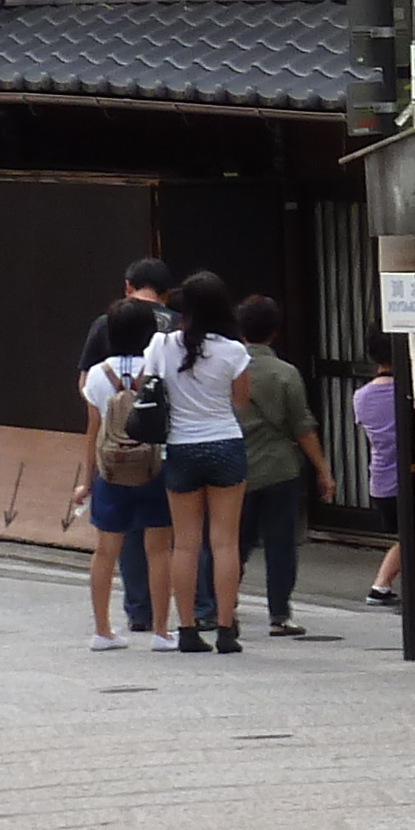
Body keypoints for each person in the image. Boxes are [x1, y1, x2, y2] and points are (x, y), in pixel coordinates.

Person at [146, 269, 257, 655]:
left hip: (181, 446)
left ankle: (188, 628)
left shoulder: (163, 345)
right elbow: (240, 402)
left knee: (186, 544)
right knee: (225, 542)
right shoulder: (235, 351)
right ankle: (227, 629)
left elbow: (151, 385)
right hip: (225, 442)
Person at [80, 259, 175, 637]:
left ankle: (103, 631)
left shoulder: (98, 376)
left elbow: (93, 431)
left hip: (111, 469)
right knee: (159, 549)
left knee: (106, 550)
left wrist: (85, 480)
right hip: (156, 465)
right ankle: (163, 632)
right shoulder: (160, 370)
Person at [233, 296, 333, 639]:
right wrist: (323, 469)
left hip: (235, 469)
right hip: (280, 469)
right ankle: (279, 614)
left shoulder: (226, 369)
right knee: (280, 544)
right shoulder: (285, 373)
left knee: (232, 543)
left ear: (240, 330)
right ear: (274, 332)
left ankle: (222, 605)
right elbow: (302, 426)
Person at [353, 342, 405, 607]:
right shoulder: (407, 394)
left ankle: (381, 586)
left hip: (380, 479)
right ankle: (380, 585)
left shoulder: (361, 396)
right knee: (413, 537)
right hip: (407, 479)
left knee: (407, 538)